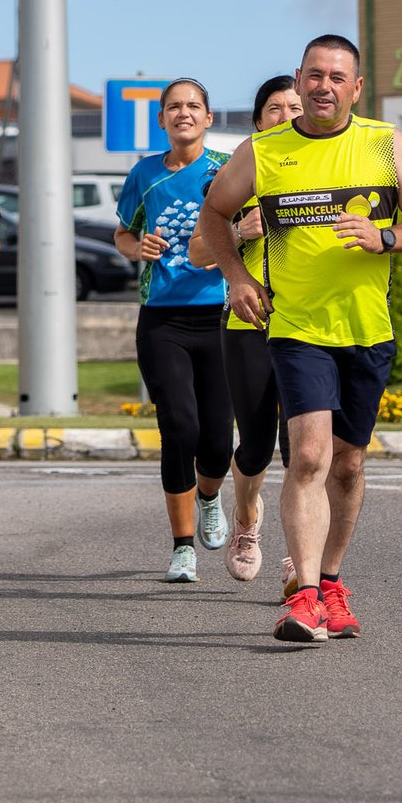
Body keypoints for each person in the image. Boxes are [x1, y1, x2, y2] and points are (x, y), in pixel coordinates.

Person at [200, 34, 402, 643]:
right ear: (299, 79)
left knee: (350, 466)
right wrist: (236, 276)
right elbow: (214, 215)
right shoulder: (264, 149)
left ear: (356, 88)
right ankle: (303, 596)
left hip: (367, 330)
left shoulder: (385, 145)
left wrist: (385, 238)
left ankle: (332, 585)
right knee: (309, 456)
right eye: (314, 75)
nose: (324, 86)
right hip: (297, 327)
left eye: (337, 76)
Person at [114, 78, 234, 584]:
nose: (183, 113)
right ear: (161, 119)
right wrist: (135, 247)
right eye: (173, 107)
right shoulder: (144, 173)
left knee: (217, 441)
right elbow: (122, 232)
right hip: (162, 317)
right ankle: (182, 547)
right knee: (178, 428)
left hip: (222, 317)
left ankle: (210, 496)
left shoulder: (226, 169)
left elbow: (249, 223)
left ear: (208, 117)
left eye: (193, 106)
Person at [187, 75, 304, 584]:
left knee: (303, 446)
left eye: (294, 106)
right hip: (248, 323)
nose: (286, 114)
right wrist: (237, 231)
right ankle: (247, 519)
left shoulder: (325, 173)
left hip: (310, 325)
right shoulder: (241, 174)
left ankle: (303, 554)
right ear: (258, 123)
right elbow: (195, 252)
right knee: (255, 445)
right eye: (274, 109)